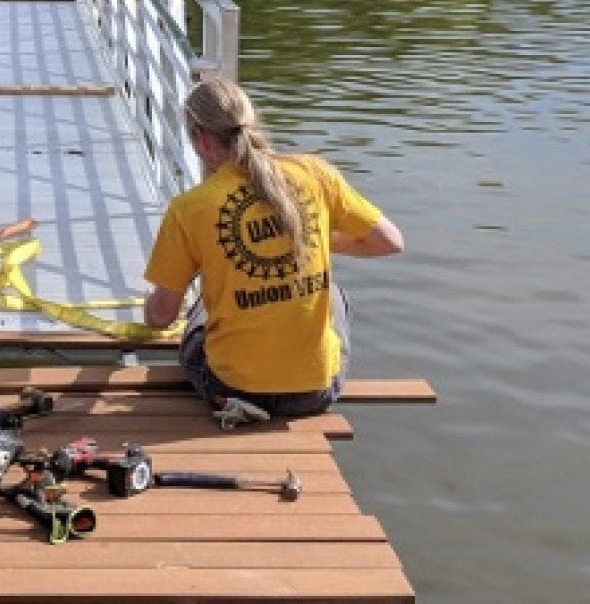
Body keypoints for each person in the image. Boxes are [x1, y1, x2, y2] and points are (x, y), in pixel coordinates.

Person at [143, 77, 404, 425]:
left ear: (202, 139)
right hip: (314, 395)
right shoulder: (315, 173)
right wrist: (312, 235)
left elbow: (160, 317)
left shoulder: (189, 209)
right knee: (335, 296)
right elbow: (389, 242)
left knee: (198, 315)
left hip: (231, 389)